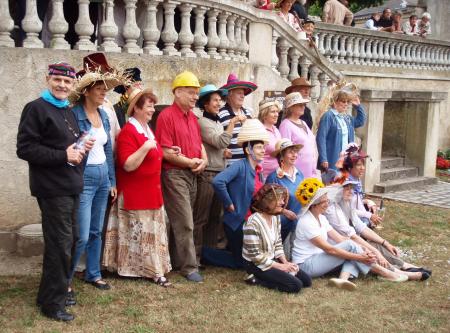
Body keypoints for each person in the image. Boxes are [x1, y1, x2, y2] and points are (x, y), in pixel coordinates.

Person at [17, 62, 94, 321]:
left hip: (71, 185)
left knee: (68, 242)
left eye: (67, 82)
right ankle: (53, 303)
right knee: (60, 244)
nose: (62, 85)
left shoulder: (68, 111)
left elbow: (71, 151)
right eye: (57, 80)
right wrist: (64, 154)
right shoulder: (36, 108)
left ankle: (49, 294)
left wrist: (82, 146)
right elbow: (25, 148)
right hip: (51, 189)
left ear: (73, 85)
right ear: (47, 79)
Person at [102, 87, 172, 287]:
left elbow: (153, 156)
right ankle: (150, 272)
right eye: (149, 106)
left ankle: (151, 269)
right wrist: (145, 147)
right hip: (135, 194)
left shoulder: (147, 129)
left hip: (151, 192)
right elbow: (127, 164)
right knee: (140, 234)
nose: (152, 110)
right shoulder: (128, 132)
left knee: (148, 234)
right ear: (137, 109)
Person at [292, 178, 409, 291]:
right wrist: (360, 256)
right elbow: (329, 250)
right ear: (313, 204)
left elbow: (340, 239)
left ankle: (343, 279)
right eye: (323, 202)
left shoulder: (321, 218)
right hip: (306, 265)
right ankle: (385, 272)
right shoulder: (306, 221)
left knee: (351, 249)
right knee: (351, 250)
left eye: (327, 200)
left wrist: (362, 249)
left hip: (318, 259)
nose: (327, 204)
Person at [69, 69, 123, 291]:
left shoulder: (103, 115)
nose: (104, 93)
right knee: (80, 235)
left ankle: (93, 273)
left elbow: (108, 148)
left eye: (105, 89)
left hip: (102, 177)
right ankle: (66, 279)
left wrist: (112, 180)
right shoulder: (74, 114)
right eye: (100, 89)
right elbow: (70, 150)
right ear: (87, 91)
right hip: (84, 178)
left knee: (95, 231)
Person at [155, 71, 208, 283]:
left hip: (192, 173)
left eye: (196, 93)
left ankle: (177, 261)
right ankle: (189, 267)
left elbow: (199, 145)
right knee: (185, 221)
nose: (195, 97)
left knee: (187, 221)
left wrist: (203, 159)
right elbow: (166, 152)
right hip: (174, 174)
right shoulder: (166, 116)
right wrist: (190, 162)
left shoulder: (193, 118)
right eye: (190, 92)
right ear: (177, 92)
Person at [324, 178, 431, 281]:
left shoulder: (345, 205)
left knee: (376, 244)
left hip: (348, 245)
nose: (351, 192)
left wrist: (385, 242)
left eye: (351, 188)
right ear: (337, 191)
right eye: (347, 189)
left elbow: (362, 228)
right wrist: (376, 253)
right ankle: (396, 272)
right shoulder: (332, 210)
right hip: (338, 248)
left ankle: (404, 266)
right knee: (368, 250)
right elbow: (352, 236)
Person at [209, 119, 270, 269]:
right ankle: (204, 253)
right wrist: (228, 203)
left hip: (251, 222)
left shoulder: (258, 171)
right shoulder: (239, 166)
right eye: (259, 147)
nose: (263, 150)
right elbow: (218, 181)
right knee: (242, 263)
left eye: (263, 147)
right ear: (248, 150)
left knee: (251, 260)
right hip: (237, 222)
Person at [193, 84, 240, 261]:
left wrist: (224, 152)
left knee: (215, 217)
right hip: (208, 174)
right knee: (201, 217)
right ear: (205, 104)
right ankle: (196, 256)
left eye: (220, 100)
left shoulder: (216, 121)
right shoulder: (202, 122)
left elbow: (219, 146)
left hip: (219, 173)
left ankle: (210, 254)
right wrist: (233, 123)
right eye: (215, 100)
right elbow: (220, 142)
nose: (219, 103)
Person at [243, 184, 312, 293]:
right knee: (296, 286)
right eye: (279, 199)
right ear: (267, 201)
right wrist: (281, 267)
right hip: (255, 265)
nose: (283, 203)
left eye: (283, 199)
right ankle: (256, 279)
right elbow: (255, 256)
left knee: (307, 281)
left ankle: (271, 275)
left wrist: (285, 263)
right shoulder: (253, 222)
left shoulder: (275, 218)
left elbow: (278, 244)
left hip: (271, 261)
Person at [316, 83, 366, 172]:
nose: (346, 104)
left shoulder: (346, 117)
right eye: (343, 101)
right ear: (335, 102)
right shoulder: (328, 116)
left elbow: (361, 121)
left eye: (347, 102)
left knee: (344, 184)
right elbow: (321, 138)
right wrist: (323, 158)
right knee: (332, 184)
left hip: (346, 159)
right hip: (332, 159)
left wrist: (358, 106)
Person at [266, 139, 304, 244]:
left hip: (299, 224)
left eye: (295, 152)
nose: (294, 155)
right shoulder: (274, 177)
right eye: (290, 152)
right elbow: (267, 205)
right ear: (281, 156)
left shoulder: (299, 173)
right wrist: (285, 212)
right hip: (282, 227)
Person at [218, 73, 257, 166]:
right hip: (230, 166)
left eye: (243, 93)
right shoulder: (220, 113)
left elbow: (255, 136)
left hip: (249, 165)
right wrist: (223, 151)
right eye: (239, 93)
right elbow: (218, 139)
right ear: (229, 94)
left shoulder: (248, 112)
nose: (243, 96)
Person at [279, 92, 318, 178]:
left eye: (303, 104)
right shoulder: (286, 125)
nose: (303, 107)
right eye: (300, 105)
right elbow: (285, 151)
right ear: (291, 108)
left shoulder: (303, 122)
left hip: (311, 171)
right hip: (297, 172)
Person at [258, 98, 282, 178]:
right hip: (264, 176)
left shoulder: (276, 130)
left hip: (277, 174)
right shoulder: (260, 131)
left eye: (277, 111)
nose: (277, 114)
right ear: (264, 115)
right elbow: (257, 157)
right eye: (273, 112)